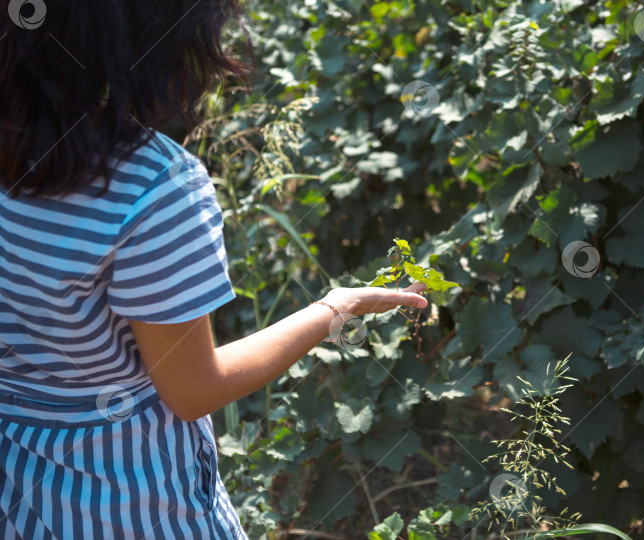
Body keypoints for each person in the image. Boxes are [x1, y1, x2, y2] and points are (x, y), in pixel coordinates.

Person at [0, 1, 428, 538]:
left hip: (21, 484)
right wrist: (331, 311)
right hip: (133, 499)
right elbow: (193, 390)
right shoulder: (156, 188)